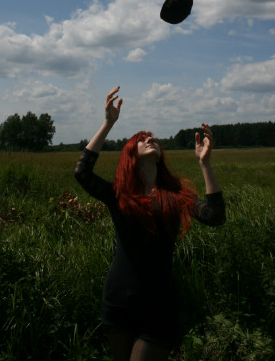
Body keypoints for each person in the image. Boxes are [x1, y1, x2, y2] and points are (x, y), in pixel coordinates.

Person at [74, 86, 225, 361]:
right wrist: (108, 123)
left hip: (159, 305)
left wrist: (205, 164)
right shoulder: (118, 195)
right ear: (131, 153)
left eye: (153, 138)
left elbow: (215, 216)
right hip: (119, 299)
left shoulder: (176, 196)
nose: (150, 140)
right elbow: (82, 172)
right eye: (143, 140)